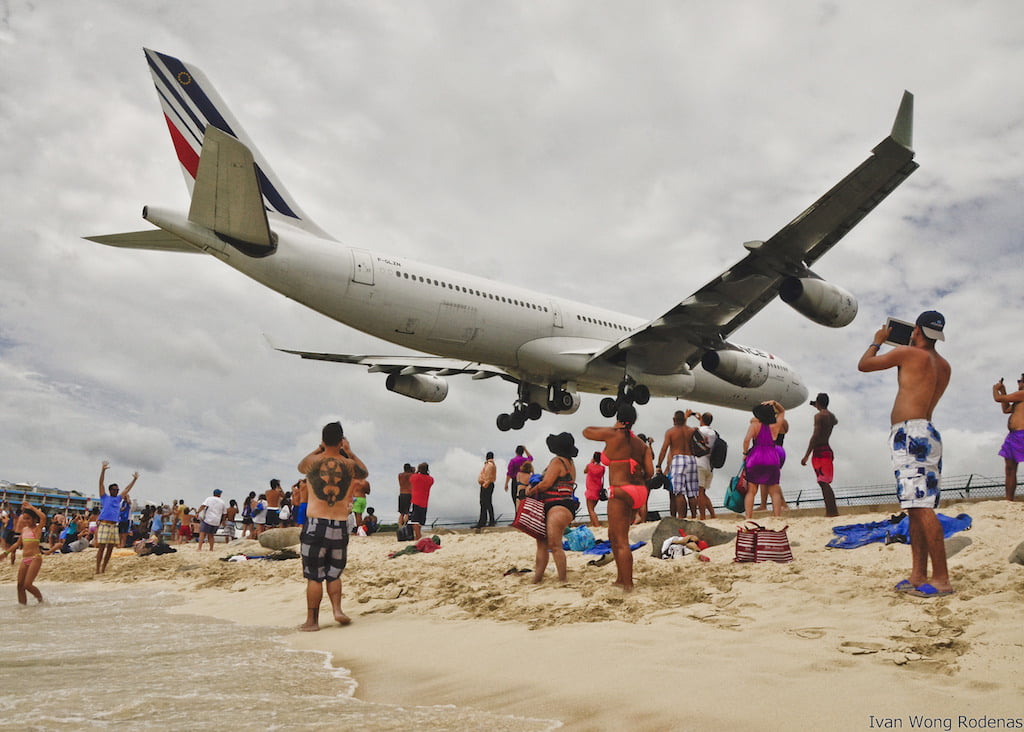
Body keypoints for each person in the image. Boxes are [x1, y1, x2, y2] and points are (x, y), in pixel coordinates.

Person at [858, 310, 953, 597]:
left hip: (910, 434)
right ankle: (918, 574)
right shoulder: (944, 365)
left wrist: (877, 341)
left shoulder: (910, 354)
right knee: (914, 506)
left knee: (921, 507)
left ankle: (941, 579)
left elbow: (864, 365)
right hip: (927, 433)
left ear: (917, 331)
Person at [296, 420, 369, 630]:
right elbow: (364, 473)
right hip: (339, 524)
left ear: (322, 440)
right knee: (334, 572)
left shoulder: (312, 462)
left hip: (315, 524)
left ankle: (312, 621)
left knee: (314, 575)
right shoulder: (348, 465)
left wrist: (319, 448)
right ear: (341, 440)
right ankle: (337, 610)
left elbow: (300, 466)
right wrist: (350, 452)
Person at [584, 404, 653, 591]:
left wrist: (613, 428)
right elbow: (650, 472)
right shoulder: (642, 445)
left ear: (619, 419)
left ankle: (628, 583)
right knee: (613, 535)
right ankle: (621, 578)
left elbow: (586, 432)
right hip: (639, 491)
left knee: (620, 539)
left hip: (621, 490)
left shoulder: (615, 434)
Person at [525, 432, 579, 584]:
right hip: (566, 507)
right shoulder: (570, 463)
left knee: (551, 545)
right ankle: (539, 578)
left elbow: (546, 484)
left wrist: (530, 491)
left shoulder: (557, 461)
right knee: (550, 544)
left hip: (556, 506)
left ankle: (560, 579)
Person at [742, 402, 785, 519]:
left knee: (751, 490)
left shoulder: (755, 425)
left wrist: (745, 453)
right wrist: (775, 403)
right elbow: (782, 411)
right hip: (772, 457)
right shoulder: (775, 426)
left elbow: (746, 440)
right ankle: (777, 516)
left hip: (756, 457)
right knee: (774, 491)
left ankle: (748, 517)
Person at [95, 461, 139, 574]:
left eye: (117, 490)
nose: (116, 491)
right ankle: (97, 569)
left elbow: (127, 489)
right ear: (110, 490)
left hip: (114, 525)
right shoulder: (104, 497)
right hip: (104, 524)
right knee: (101, 548)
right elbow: (101, 484)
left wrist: (134, 479)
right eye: (114, 490)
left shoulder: (119, 499)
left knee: (110, 548)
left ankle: (103, 569)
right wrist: (103, 470)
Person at [801, 392, 840, 516]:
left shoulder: (818, 416)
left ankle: (831, 512)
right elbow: (835, 421)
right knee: (824, 482)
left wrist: (807, 454)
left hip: (819, 452)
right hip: (827, 450)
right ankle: (831, 510)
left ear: (818, 403)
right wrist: (819, 406)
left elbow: (816, 435)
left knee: (823, 482)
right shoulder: (832, 417)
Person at [2, 501, 47, 603]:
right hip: (24, 559)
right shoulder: (24, 530)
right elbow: (17, 544)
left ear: (34, 519)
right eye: (24, 518)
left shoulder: (37, 529)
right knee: (20, 585)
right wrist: (5, 554)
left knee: (27, 585)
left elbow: (43, 517)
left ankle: (41, 601)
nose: (25, 520)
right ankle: (23, 608)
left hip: (35, 558)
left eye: (28, 518)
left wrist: (31, 507)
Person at [657, 409, 699, 519]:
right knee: (692, 492)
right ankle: (694, 516)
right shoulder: (691, 430)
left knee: (679, 492)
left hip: (678, 459)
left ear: (674, 420)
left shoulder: (671, 432)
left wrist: (658, 465)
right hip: (691, 459)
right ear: (684, 419)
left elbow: (664, 449)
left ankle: (681, 517)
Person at [992, 374, 1024, 501]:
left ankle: (1009, 498)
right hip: (1013, 436)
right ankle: (1009, 499)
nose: (1018, 383)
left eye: (1020, 381)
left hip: (1021, 434)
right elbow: (1006, 409)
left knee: (1011, 468)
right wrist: (1003, 391)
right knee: (1010, 468)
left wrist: (995, 389)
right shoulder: (1019, 400)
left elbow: (998, 399)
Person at [695, 413, 718, 520]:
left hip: (699, 462)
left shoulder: (698, 431)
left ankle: (703, 517)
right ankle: (712, 514)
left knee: (699, 492)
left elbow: (689, 433)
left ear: (702, 420)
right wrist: (702, 420)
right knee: (703, 492)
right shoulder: (714, 433)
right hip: (710, 464)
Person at [409, 463, 434, 541]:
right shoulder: (430, 479)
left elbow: (411, 480)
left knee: (414, 520)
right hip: (424, 501)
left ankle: (418, 536)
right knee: (420, 521)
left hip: (415, 500)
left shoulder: (414, 477)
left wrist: (416, 472)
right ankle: (418, 535)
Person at [504, 445, 532, 509]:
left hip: (515, 481)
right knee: (524, 499)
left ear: (515, 451)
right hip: (525, 481)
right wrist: (525, 449)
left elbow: (509, 473)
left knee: (515, 499)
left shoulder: (513, 461)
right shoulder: (525, 460)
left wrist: (506, 484)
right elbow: (531, 458)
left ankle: (517, 514)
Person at [583, 451, 606, 527]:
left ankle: (597, 525)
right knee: (592, 509)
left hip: (590, 490)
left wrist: (591, 462)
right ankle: (593, 525)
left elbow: (585, 471)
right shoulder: (602, 468)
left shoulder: (589, 466)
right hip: (597, 490)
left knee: (591, 510)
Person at [475, 451, 497, 529]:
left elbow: (488, 476)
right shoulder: (491, 465)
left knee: (485, 503)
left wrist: (484, 485)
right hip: (487, 485)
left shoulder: (489, 465)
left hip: (486, 485)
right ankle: (487, 521)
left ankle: (484, 521)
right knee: (486, 503)